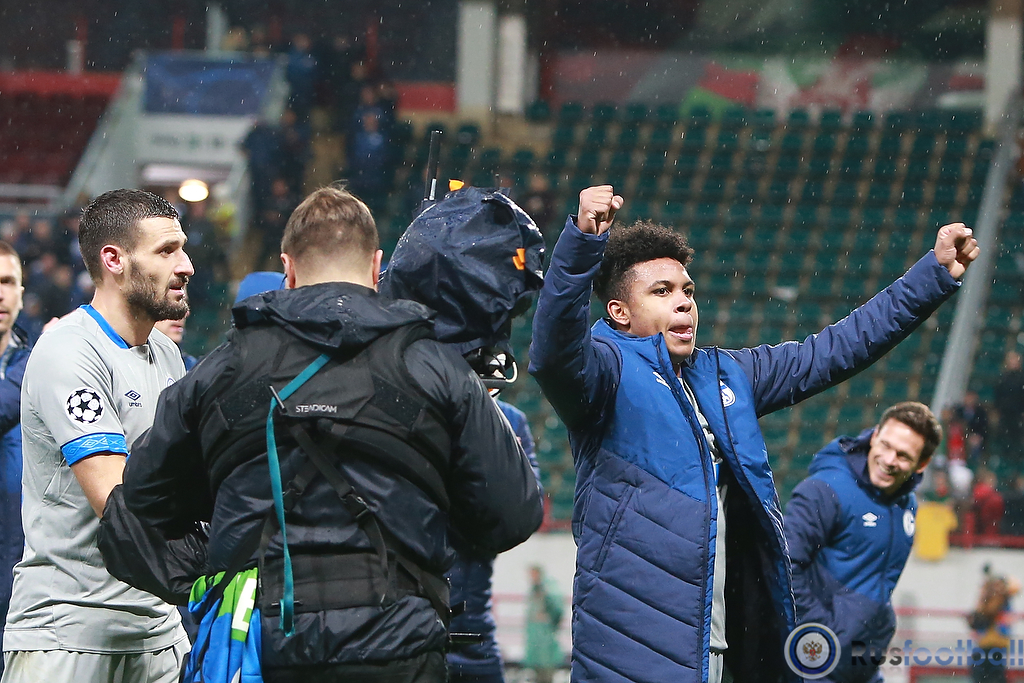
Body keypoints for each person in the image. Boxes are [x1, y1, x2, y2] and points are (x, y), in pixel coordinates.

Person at [528, 185, 978, 683]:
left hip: (717, 648)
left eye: (687, 291)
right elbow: (552, 355)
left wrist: (931, 277)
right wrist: (582, 244)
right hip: (627, 653)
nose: (684, 303)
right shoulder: (604, 373)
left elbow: (832, 350)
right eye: (662, 292)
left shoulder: (726, 376)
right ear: (620, 312)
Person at [108, 186, 544, 683]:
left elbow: (137, 507)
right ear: (377, 267)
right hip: (398, 647)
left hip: (261, 647)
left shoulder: (220, 371)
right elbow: (513, 516)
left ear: (288, 268)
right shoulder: (439, 369)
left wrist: (217, 567)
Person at [3, 189, 193, 682]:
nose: (186, 266)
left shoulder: (167, 355)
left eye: (183, 249)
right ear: (113, 260)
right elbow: (120, 504)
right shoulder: (68, 352)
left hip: (158, 633)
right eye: (166, 251)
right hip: (70, 631)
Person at [785, 402, 943, 683]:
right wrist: (822, 631)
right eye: (885, 445)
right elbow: (784, 567)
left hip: (864, 664)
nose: (889, 459)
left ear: (922, 464)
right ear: (874, 436)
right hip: (815, 665)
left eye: (903, 455)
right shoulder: (824, 490)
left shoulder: (906, 504)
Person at [447, 400, 541, 683]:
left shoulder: (510, 419)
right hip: (413, 627)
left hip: (473, 629)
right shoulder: (423, 404)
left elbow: (523, 514)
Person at [0, 242, 30, 679]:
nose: (0, 293)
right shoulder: (41, 363)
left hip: (19, 573)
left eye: (7, 282)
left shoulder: (43, 361)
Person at [967, 566, 1019, 683]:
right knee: (991, 674)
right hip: (991, 645)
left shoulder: (995, 602)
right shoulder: (995, 602)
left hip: (991, 645)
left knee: (986, 674)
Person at [523, 566, 563, 683]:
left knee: (546, 672)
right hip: (535, 640)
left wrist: (548, 619)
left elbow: (557, 610)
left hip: (545, 638)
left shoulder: (548, 590)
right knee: (537, 672)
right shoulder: (534, 590)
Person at [993, 351, 1024, 464]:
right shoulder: (1002, 378)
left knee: (1017, 440)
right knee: (1004, 440)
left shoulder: (1021, 378)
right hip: (1005, 414)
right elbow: (998, 396)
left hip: (1018, 415)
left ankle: (1016, 462)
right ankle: (1004, 461)